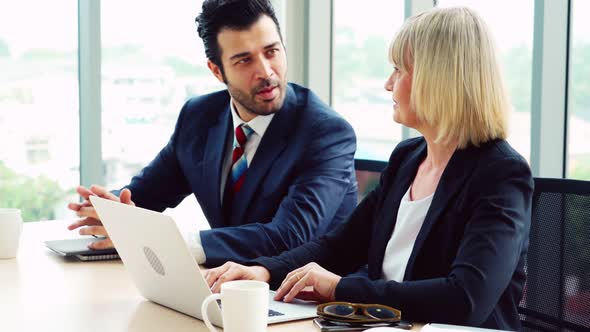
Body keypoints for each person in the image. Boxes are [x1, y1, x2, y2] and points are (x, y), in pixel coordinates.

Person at [203, 7, 533, 330]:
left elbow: (466, 299)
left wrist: (339, 288)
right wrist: (262, 271)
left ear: (438, 80)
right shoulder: (408, 158)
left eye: (399, 71)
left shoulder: (501, 174)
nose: (389, 85)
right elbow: (341, 245)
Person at [67, 0, 357, 267]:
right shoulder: (198, 117)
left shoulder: (326, 132)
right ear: (217, 71)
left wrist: (174, 245)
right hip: (224, 288)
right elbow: (146, 195)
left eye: (271, 52)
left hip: (306, 302)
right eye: (244, 60)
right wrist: (114, 211)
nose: (266, 72)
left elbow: (288, 236)